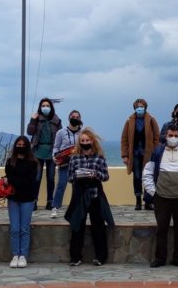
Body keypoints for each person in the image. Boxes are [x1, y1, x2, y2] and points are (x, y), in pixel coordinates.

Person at [143, 124, 178, 268]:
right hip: (161, 198)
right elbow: (148, 172)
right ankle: (160, 258)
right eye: (170, 135)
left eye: (175, 136)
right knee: (161, 230)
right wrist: (153, 192)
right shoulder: (158, 152)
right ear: (165, 136)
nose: (173, 138)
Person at [64, 127, 114, 267]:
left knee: (98, 227)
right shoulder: (74, 158)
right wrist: (78, 175)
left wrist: (95, 174)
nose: (85, 142)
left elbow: (105, 177)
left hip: (95, 196)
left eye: (87, 140)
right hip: (79, 197)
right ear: (79, 142)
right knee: (77, 226)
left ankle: (100, 257)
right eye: (83, 140)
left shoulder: (99, 158)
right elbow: (70, 178)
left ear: (92, 141)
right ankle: (75, 257)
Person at [5, 135, 38, 268]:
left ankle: (23, 255)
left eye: (23, 145)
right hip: (13, 199)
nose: (21, 147)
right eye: (18, 145)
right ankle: (15, 255)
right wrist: (13, 181)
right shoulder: (10, 162)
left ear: (27, 147)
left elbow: (29, 181)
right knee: (14, 228)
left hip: (27, 199)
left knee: (24, 228)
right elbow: (9, 178)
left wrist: (12, 180)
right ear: (15, 146)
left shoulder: (33, 163)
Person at [120, 98, 160, 211]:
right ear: (134, 108)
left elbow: (157, 137)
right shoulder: (129, 121)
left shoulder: (151, 120)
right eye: (137, 106)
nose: (139, 108)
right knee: (137, 177)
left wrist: (156, 152)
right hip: (135, 154)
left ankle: (148, 201)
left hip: (149, 154)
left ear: (145, 107)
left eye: (141, 106)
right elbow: (124, 139)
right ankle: (138, 201)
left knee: (148, 176)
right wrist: (125, 155)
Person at [27, 97, 62, 210]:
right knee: (37, 177)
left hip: (52, 151)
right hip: (37, 151)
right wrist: (32, 120)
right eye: (43, 106)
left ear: (51, 107)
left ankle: (50, 201)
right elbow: (30, 132)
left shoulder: (57, 120)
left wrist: (59, 151)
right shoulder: (36, 118)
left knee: (51, 178)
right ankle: (34, 201)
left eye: (47, 106)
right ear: (40, 107)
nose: (45, 107)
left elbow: (61, 136)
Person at [51, 110, 83, 219]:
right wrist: (55, 156)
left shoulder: (82, 133)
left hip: (78, 163)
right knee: (61, 184)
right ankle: (55, 207)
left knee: (77, 186)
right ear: (69, 118)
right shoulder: (61, 132)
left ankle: (76, 207)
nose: (75, 118)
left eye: (77, 117)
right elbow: (56, 147)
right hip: (64, 162)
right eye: (73, 116)